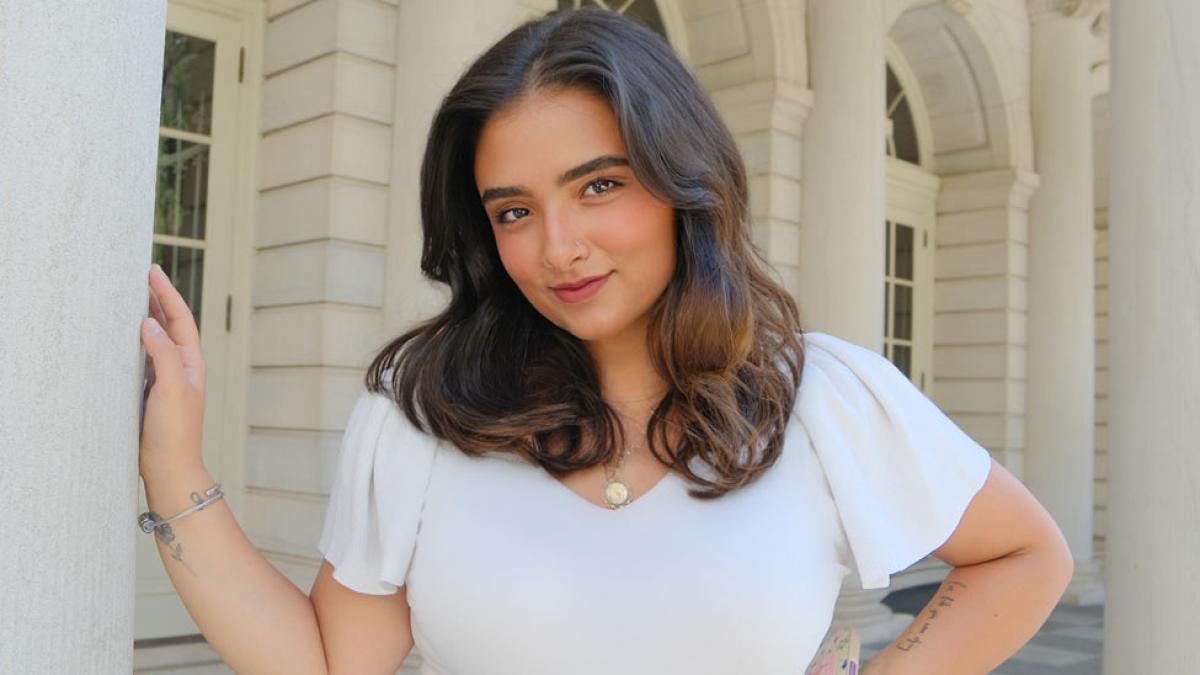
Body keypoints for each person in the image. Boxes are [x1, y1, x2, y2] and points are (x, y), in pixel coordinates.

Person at [138, 7, 1075, 675]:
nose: (559, 248)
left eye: (599, 186)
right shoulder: (423, 415)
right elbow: (328, 665)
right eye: (514, 209)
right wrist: (174, 465)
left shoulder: (820, 397)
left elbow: (1025, 553)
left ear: (681, 182)